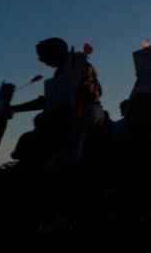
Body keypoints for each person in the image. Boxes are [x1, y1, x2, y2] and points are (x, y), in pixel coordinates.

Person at [9, 37, 104, 171]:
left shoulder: (77, 63)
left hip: (87, 111)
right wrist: (15, 108)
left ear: (56, 51)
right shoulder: (62, 71)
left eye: (43, 57)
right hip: (66, 114)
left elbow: (89, 92)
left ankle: (73, 166)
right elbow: (50, 100)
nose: (43, 61)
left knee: (81, 119)